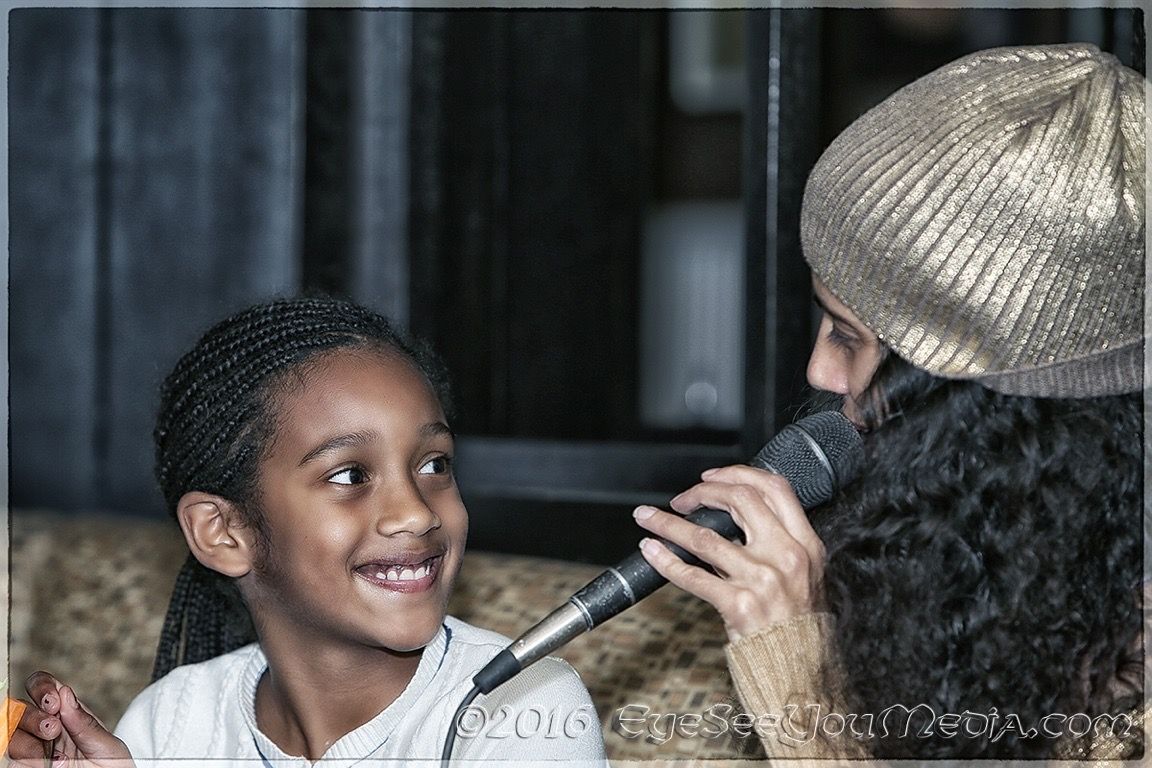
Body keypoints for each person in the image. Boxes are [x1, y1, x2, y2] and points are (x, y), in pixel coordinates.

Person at [634, 43, 1146, 760]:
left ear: (979, 398)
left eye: (849, 336)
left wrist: (792, 667)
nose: (819, 370)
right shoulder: (968, 546)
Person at [8, 297, 607, 765]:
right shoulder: (175, 718)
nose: (417, 513)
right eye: (351, 475)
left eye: (434, 465)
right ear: (224, 532)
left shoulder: (517, 702)